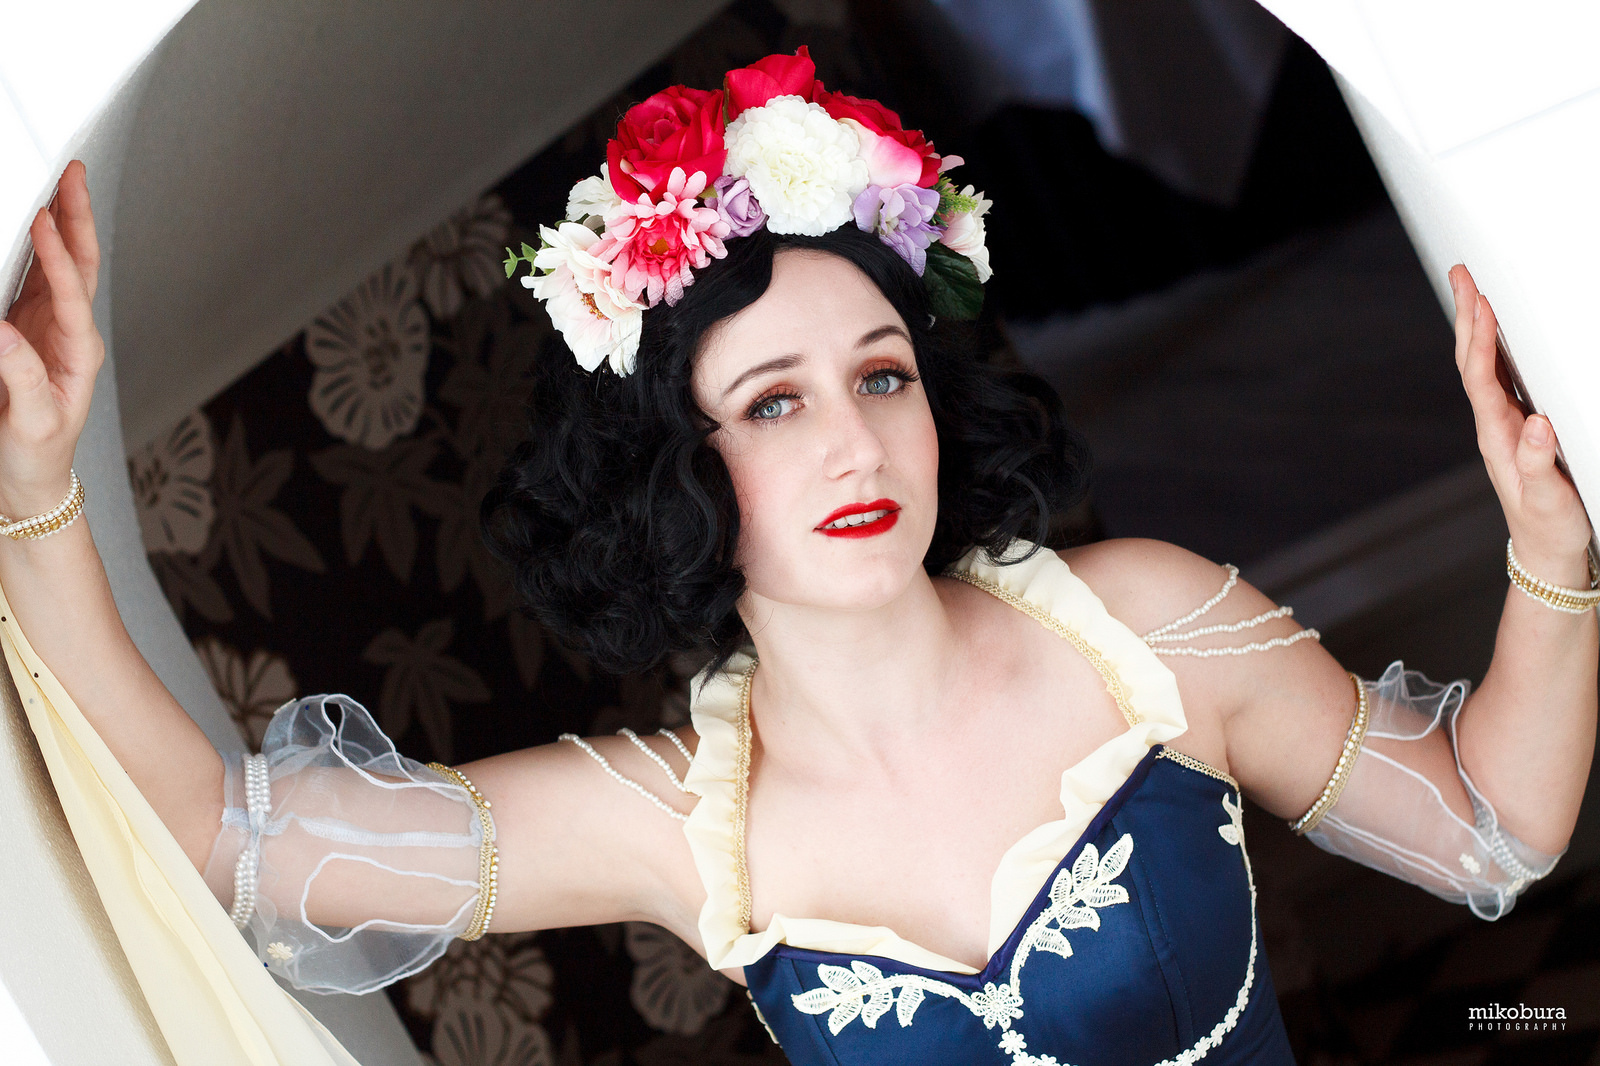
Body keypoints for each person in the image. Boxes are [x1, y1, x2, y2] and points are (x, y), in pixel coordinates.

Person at [0, 49, 1594, 1065]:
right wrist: (38, 496)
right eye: (774, 401)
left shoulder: (1151, 628)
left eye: (882, 375)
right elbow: (233, 840)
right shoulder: (674, 822)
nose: (855, 443)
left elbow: (1489, 827)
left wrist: (1547, 550)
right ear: (678, 469)